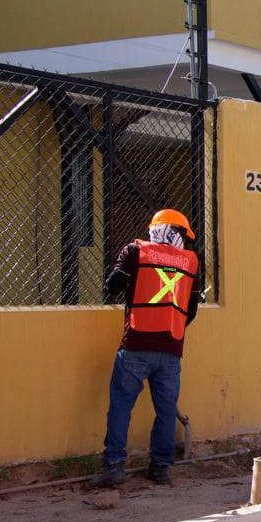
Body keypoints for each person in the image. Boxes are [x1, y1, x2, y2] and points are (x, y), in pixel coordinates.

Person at [91, 209, 202, 488]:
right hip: (171, 348)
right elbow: (191, 311)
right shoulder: (190, 261)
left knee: (120, 405)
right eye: (182, 236)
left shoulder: (134, 251)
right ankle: (160, 468)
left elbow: (112, 287)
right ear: (176, 234)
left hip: (136, 344)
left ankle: (115, 467)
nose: (184, 242)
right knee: (165, 410)